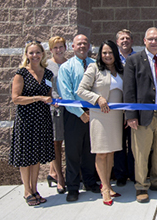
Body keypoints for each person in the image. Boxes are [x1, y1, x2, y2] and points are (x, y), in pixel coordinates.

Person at [123, 27, 157, 203]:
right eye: (150, 39)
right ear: (144, 41)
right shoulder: (133, 60)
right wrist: (130, 114)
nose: (154, 42)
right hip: (142, 117)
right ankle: (141, 186)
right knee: (141, 153)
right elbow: (129, 90)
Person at [77, 40, 125, 206]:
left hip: (116, 117)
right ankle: (104, 187)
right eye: (104, 53)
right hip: (101, 116)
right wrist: (97, 98)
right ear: (100, 54)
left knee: (111, 152)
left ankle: (109, 184)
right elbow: (81, 90)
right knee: (102, 152)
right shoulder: (94, 68)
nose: (107, 56)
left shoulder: (121, 69)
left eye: (110, 52)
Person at [9, 41, 55, 206]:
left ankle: (35, 189)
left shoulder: (48, 74)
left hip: (42, 119)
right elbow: (16, 98)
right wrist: (38, 98)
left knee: (35, 156)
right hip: (26, 120)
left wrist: (53, 101)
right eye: (31, 53)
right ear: (26, 55)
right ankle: (27, 191)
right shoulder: (21, 73)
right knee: (25, 157)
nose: (35, 56)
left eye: (37, 52)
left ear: (42, 54)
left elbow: (48, 95)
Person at [57, 34, 99, 202]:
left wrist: (91, 111)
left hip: (93, 112)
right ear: (72, 47)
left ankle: (89, 181)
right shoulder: (66, 67)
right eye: (79, 44)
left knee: (90, 150)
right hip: (74, 114)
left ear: (89, 46)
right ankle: (73, 187)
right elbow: (66, 93)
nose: (82, 46)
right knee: (73, 152)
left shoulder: (95, 65)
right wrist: (80, 113)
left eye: (85, 43)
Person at [113, 29, 136, 187]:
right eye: (122, 39)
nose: (125, 41)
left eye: (128, 38)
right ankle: (120, 174)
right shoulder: (112, 59)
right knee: (119, 143)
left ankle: (135, 173)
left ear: (132, 41)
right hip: (116, 109)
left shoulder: (138, 58)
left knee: (134, 143)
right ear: (117, 42)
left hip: (134, 107)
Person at [46, 36, 67, 194]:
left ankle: (52, 173)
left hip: (70, 109)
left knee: (70, 143)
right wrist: (52, 98)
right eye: (55, 47)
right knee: (56, 144)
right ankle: (60, 178)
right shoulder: (46, 66)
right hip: (54, 109)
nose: (59, 50)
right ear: (51, 49)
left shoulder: (69, 63)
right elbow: (45, 87)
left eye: (61, 47)